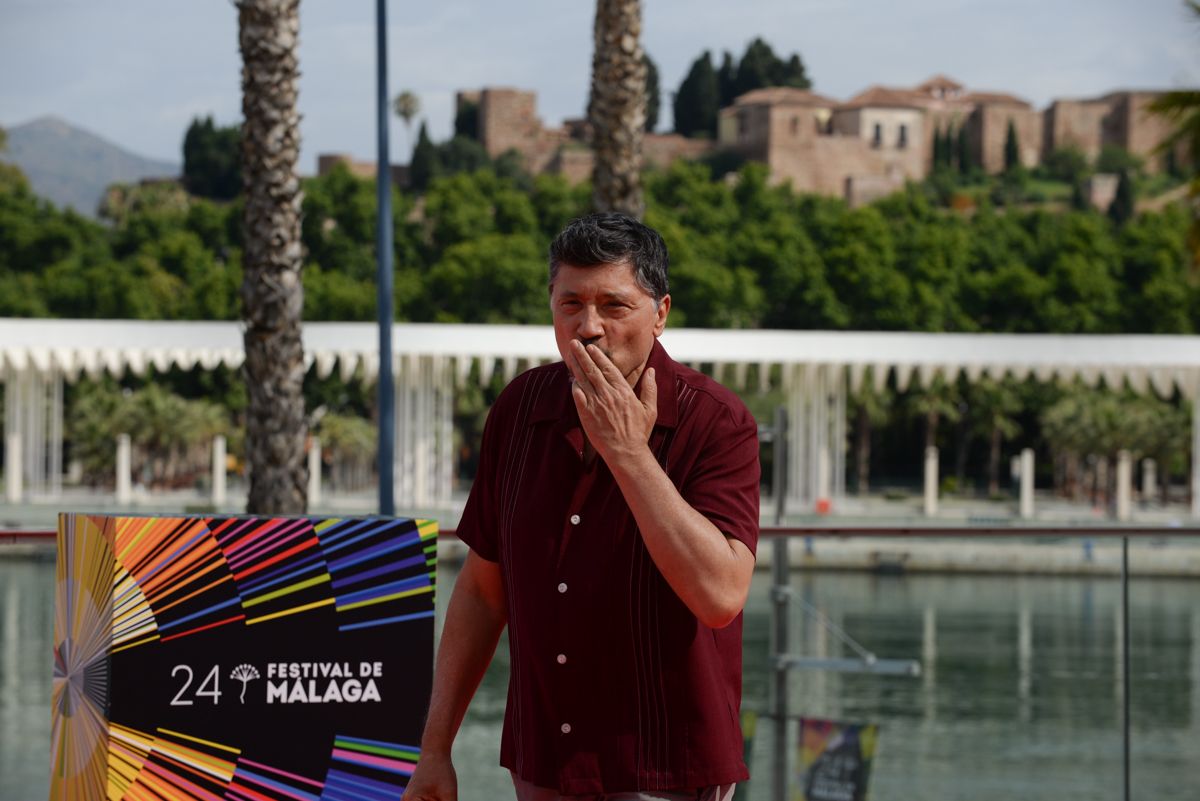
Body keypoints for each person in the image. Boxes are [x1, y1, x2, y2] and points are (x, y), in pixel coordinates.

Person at [402, 213, 760, 801]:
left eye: (614, 306)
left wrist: (628, 454)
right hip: (544, 760)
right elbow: (480, 592)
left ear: (660, 314)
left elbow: (720, 596)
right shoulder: (520, 409)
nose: (588, 327)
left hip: (663, 769)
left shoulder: (716, 422)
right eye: (571, 304)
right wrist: (435, 749)